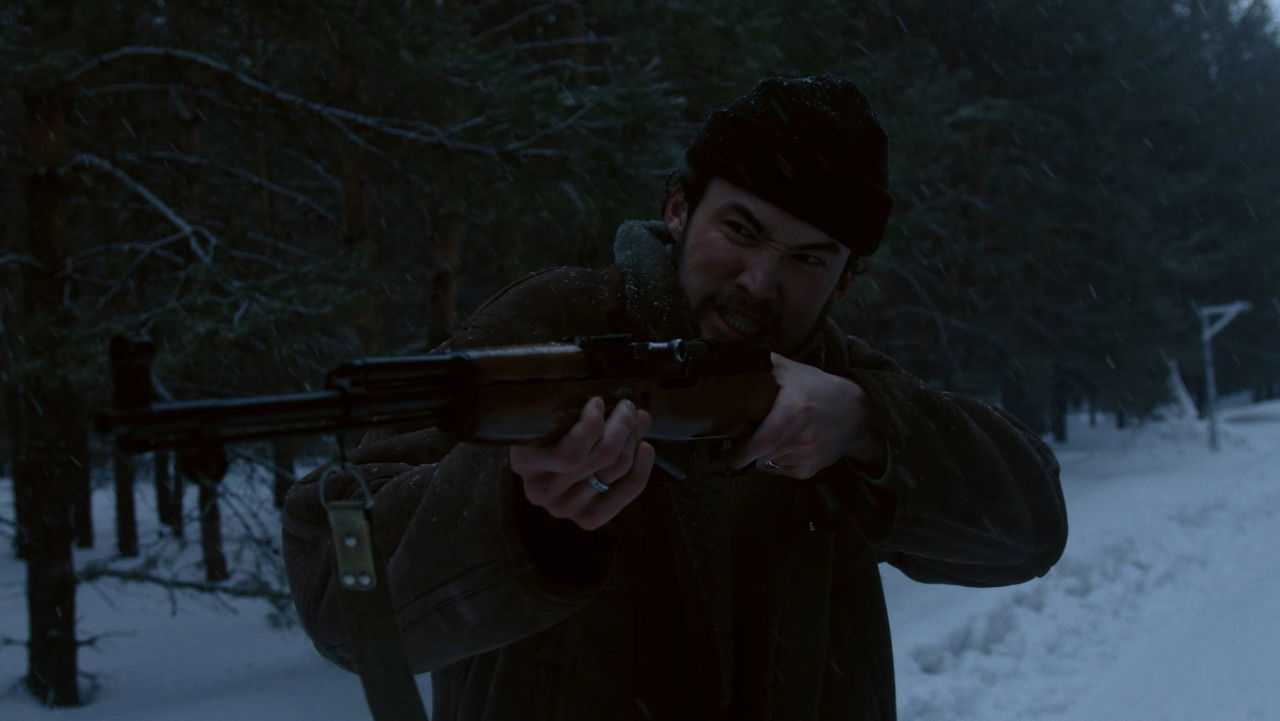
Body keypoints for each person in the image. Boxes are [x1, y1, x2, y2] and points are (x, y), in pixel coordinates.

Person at [282, 75, 1067, 721]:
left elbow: (1030, 530)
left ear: (843, 280)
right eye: (742, 229)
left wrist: (868, 426)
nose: (759, 281)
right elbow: (343, 605)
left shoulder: (832, 384)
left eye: (807, 258)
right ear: (677, 209)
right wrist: (518, 508)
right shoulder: (552, 328)